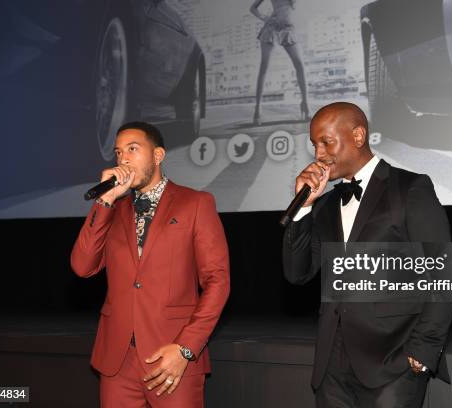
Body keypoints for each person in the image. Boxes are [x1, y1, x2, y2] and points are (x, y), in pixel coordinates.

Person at [282, 102, 452, 407]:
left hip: (393, 363)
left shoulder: (410, 188)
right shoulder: (323, 206)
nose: (318, 154)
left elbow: (443, 276)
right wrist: (304, 209)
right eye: (314, 145)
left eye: (326, 142)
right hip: (332, 367)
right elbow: (297, 273)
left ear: (358, 136)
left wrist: (422, 351)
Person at [71, 121, 230, 408]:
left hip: (170, 358)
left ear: (158, 155)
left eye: (133, 149)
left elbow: (217, 282)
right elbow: (83, 266)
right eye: (119, 153)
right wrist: (105, 201)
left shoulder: (195, 203)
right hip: (117, 360)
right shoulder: (113, 210)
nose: (124, 159)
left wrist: (185, 349)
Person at [250, 0, 309, 125]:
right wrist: (264, 18)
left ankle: (305, 104)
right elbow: (253, 8)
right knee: (264, 67)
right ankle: (258, 109)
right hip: (272, 27)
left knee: (299, 65)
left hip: (288, 27)